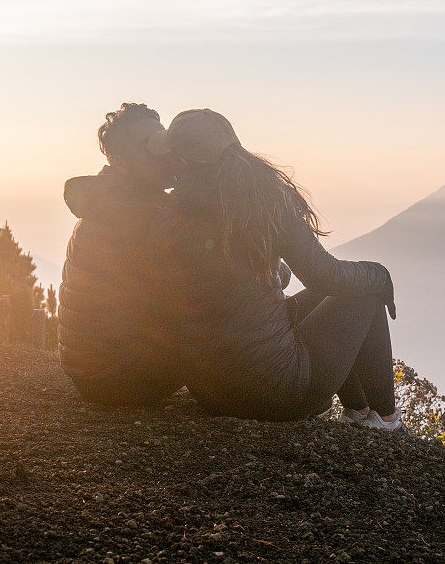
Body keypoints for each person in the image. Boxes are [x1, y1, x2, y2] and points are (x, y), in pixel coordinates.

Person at [142, 108, 405, 431]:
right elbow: (325, 275)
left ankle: (359, 411)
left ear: (183, 163)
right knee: (365, 290)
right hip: (275, 393)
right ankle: (387, 421)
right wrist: (381, 276)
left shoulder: (170, 214)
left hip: (210, 390)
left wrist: (268, 275)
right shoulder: (263, 202)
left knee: (335, 293)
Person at [58, 103, 186, 406]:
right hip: (129, 377)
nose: (164, 154)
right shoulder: (140, 210)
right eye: (150, 148)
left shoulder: (107, 200)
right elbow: (204, 275)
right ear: (119, 161)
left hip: (92, 376)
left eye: (164, 142)